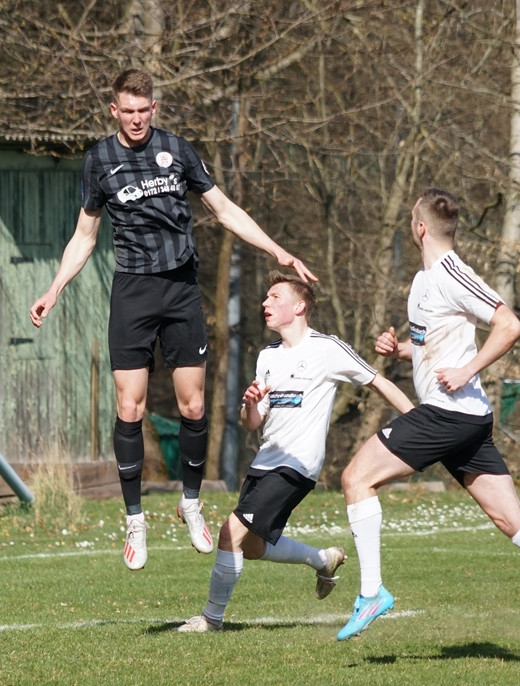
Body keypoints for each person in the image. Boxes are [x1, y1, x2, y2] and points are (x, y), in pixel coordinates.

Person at [29, 68, 317, 571]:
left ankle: (190, 503)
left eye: (144, 110)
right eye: (128, 111)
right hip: (133, 291)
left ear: (154, 109)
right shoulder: (99, 160)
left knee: (193, 404)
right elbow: (84, 236)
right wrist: (54, 289)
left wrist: (277, 250)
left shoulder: (177, 150)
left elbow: (224, 209)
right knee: (130, 407)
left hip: (181, 287)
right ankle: (134, 519)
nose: (136, 119)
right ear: (114, 110)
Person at [178, 271, 414, 632]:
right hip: (264, 463)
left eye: (275, 297)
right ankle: (323, 559)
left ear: (300, 306)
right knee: (251, 547)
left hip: (296, 466)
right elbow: (251, 423)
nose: (265, 303)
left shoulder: (327, 349)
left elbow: (377, 382)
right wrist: (250, 405)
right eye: (266, 298)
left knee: (230, 533)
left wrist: (419, 420)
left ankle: (211, 619)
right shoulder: (267, 356)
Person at [337, 187, 520, 641]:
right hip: (462, 418)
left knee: (356, 478)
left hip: (448, 414)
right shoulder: (423, 280)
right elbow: (432, 344)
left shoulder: (453, 273)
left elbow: (509, 324)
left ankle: (371, 592)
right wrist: (399, 350)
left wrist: (468, 370)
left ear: (420, 228)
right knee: (510, 522)